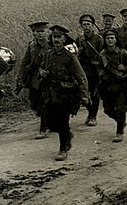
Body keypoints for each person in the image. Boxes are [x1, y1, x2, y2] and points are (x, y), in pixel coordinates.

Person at [38, 25, 89, 161]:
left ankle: (62, 149)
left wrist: (84, 95)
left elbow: (81, 77)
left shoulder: (70, 57)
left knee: (63, 122)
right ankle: (67, 136)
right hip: (50, 93)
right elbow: (42, 67)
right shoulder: (47, 54)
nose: (56, 40)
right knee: (49, 122)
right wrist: (42, 72)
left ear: (64, 39)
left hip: (66, 94)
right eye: (54, 37)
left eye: (59, 37)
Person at [98, 29, 127, 143]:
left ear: (116, 40)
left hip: (122, 85)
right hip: (108, 85)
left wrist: (125, 69)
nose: (110, 40)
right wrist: (101, 73)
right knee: (107, 110)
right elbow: (99, 66)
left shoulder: (122, 53)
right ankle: (121, 122)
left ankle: (119, 132)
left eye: (112, 38)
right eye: (108, 38)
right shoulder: (102, 54)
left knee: (120, 109)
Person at [16, 21, 51, 139]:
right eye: (36, 31)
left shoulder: (52, 45)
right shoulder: (31, 45)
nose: (39, 34)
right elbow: (25, 62)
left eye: (42, 31)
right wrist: (20, 77)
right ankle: (49, 121)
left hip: (48, 77)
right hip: (34, 78)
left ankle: (43, 129)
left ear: (47, 32)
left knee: (45, 102)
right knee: (34, 102)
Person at [76, 14, 104, 126]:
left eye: (88, 24)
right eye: (84, 25)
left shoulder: (98, 39)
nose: (86, 26)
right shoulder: (79, 39)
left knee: (94, 94)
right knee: (82, 94)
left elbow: (103, 55)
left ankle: (93, 116)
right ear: (81, 26)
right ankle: (90, 111)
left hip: (95, 70)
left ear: (92, 26)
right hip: (83, 70)